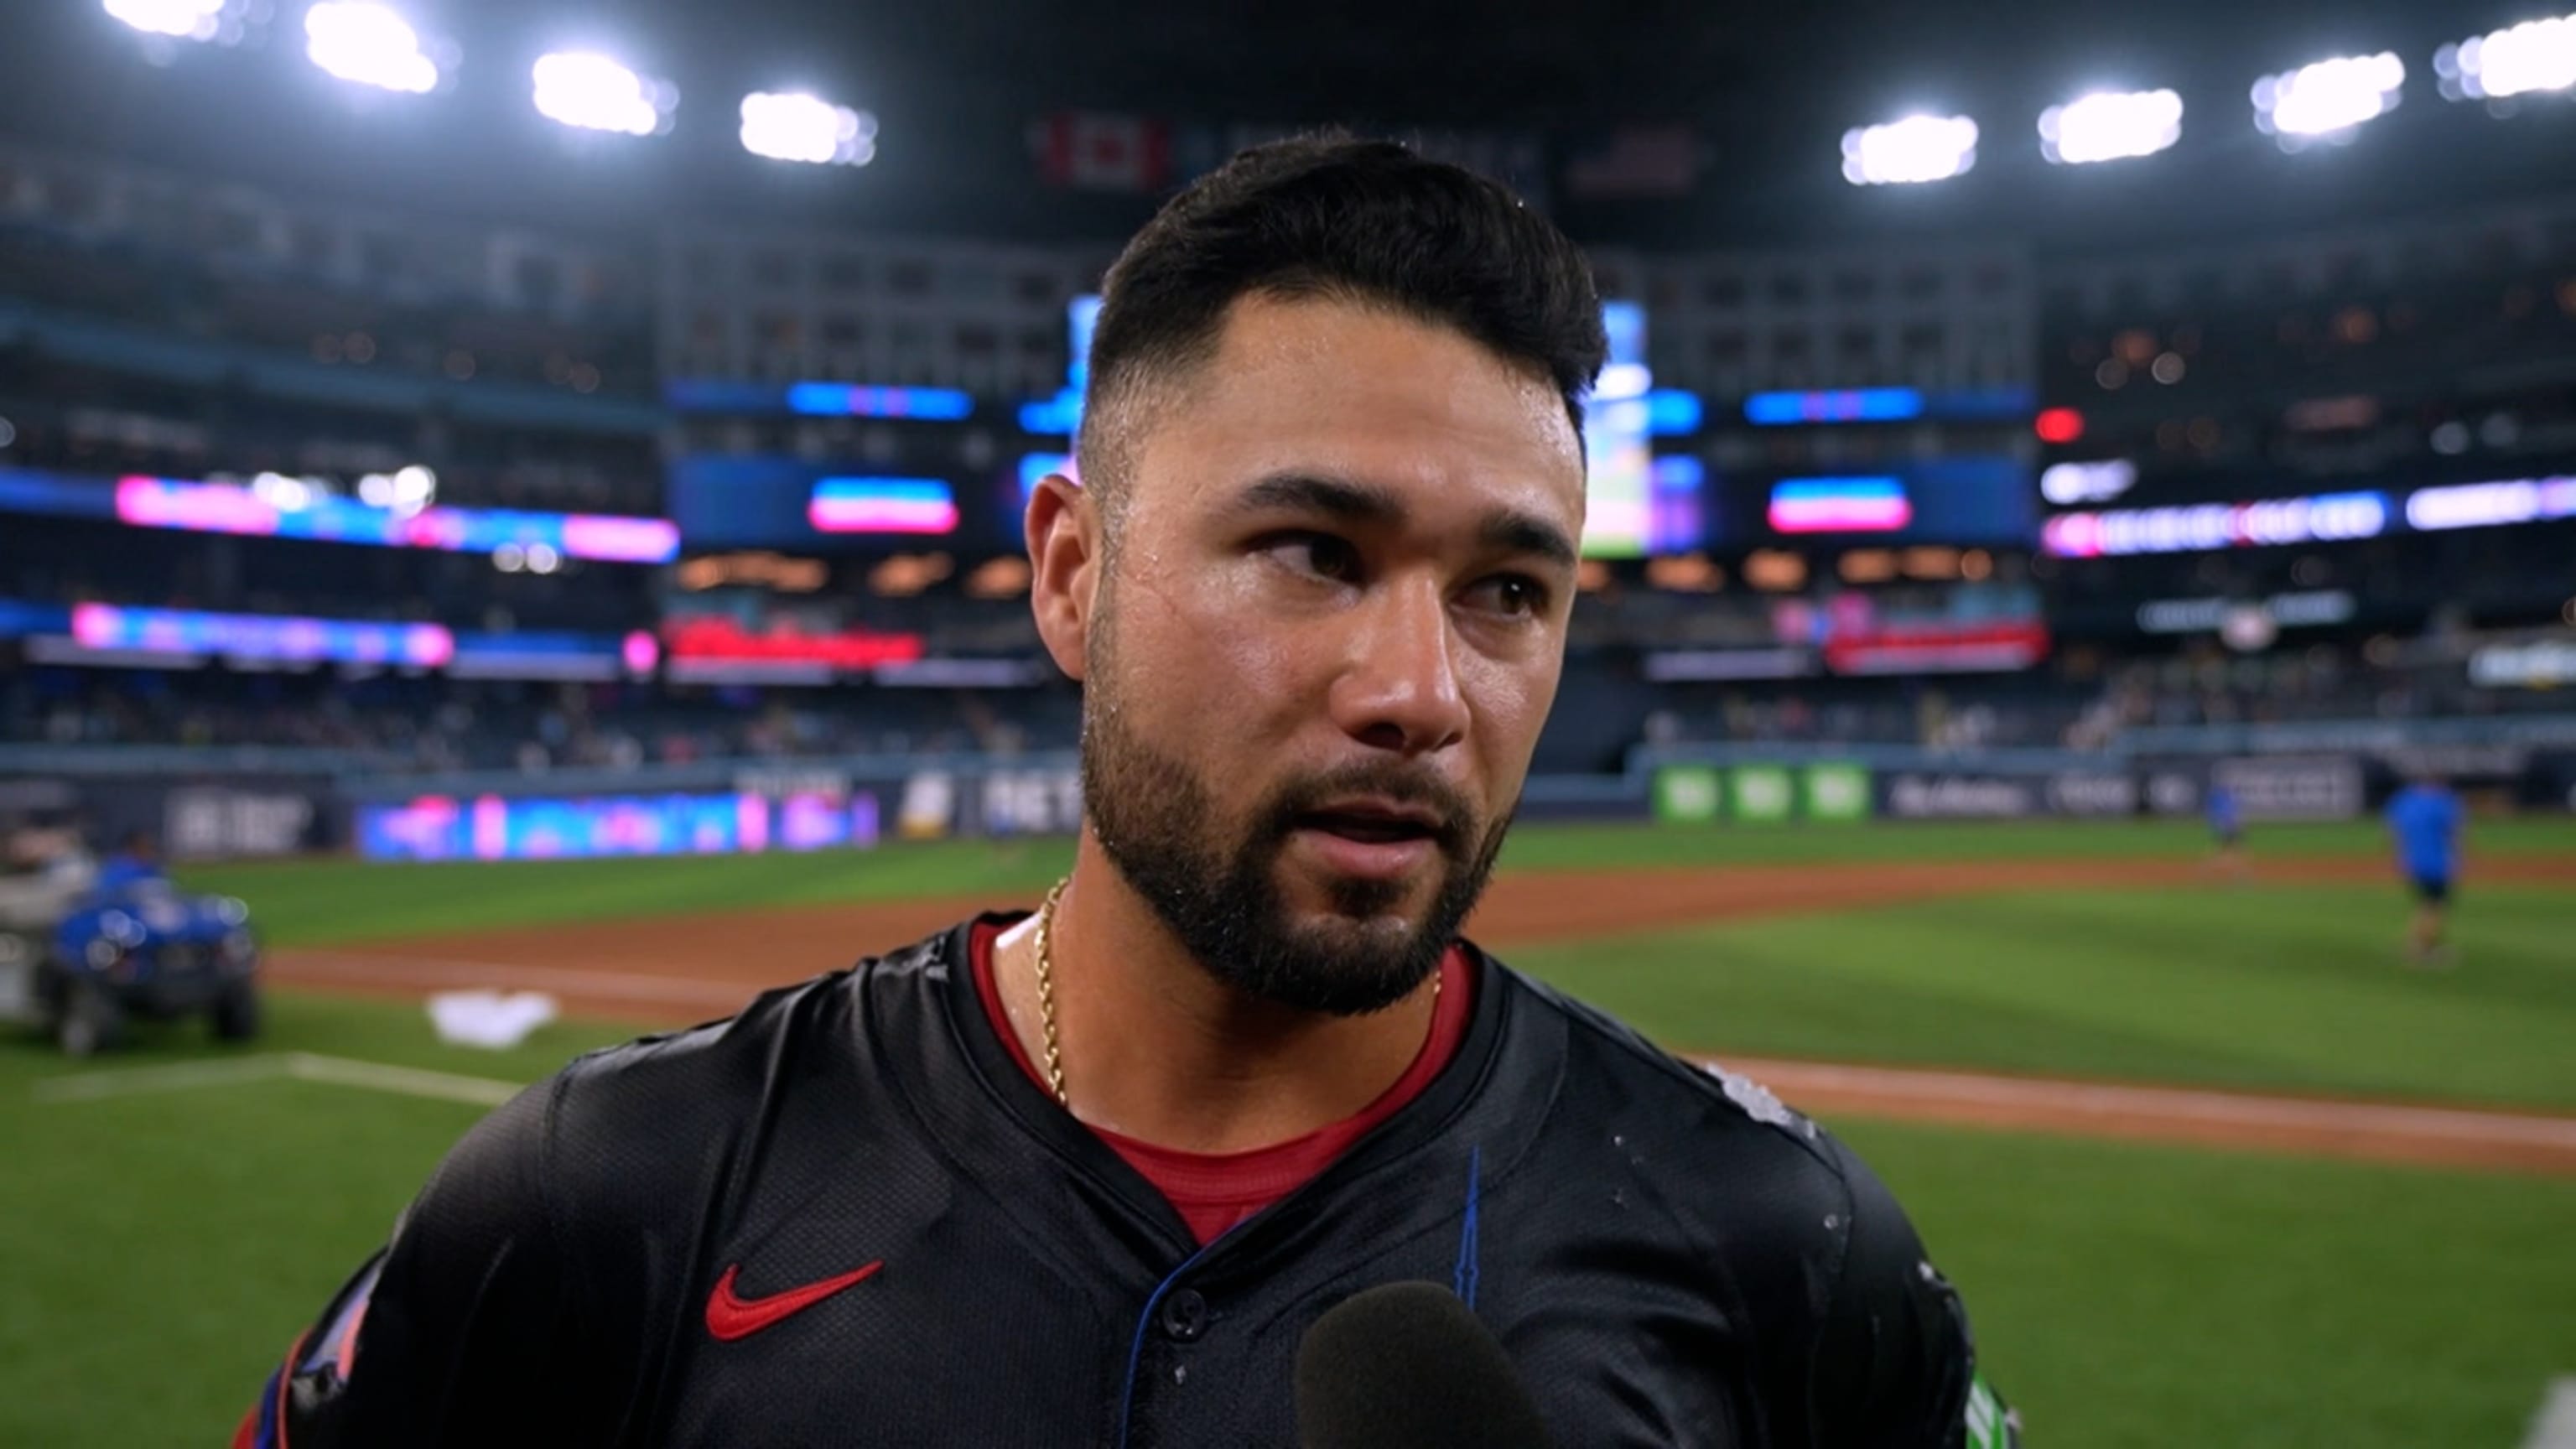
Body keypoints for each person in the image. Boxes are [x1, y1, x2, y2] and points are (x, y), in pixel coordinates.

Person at [237, 138, 2013, 1448]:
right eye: (1312, 551)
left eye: (1507, 590)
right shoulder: (603, 1197)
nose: (1420, 692)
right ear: (1071, 572)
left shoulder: (1780, 1244)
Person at [2384, 771, 2465, 966]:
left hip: (2412, 860)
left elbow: (2394, 831)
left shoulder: (2404, 800)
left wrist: (2400, 857)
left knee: (2425, 904)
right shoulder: (2444, 802)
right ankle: (2422, 950)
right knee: (2435, 906)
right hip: (2437, 862)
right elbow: (2454, 832)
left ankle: (2415, 944)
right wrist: (2458, 858)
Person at [2205, 781, 2247, 879]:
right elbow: (2222, 816)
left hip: (2229, 828)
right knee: (2232, 850)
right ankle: (2239, 872)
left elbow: (2233, 815)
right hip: (2227, 829)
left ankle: (2209, 867)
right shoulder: (2220, 800)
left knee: (2231, 850)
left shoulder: (2225, 800)